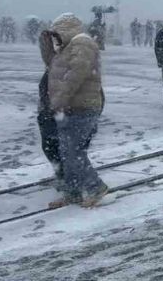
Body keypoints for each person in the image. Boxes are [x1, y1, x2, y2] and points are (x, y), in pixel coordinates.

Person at [45, 13, 108, 209]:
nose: (55, 39)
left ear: (65, 30)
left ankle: (96, 187)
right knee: (67, 152)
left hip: (83, 107)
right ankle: (72, 192)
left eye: (56, 34)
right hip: (70, 107)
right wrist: (45, 43)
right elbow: (51, 65)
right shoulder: (68, 47)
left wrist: (59, 99)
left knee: (73, 151)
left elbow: (75, 76)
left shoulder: (82, 44)